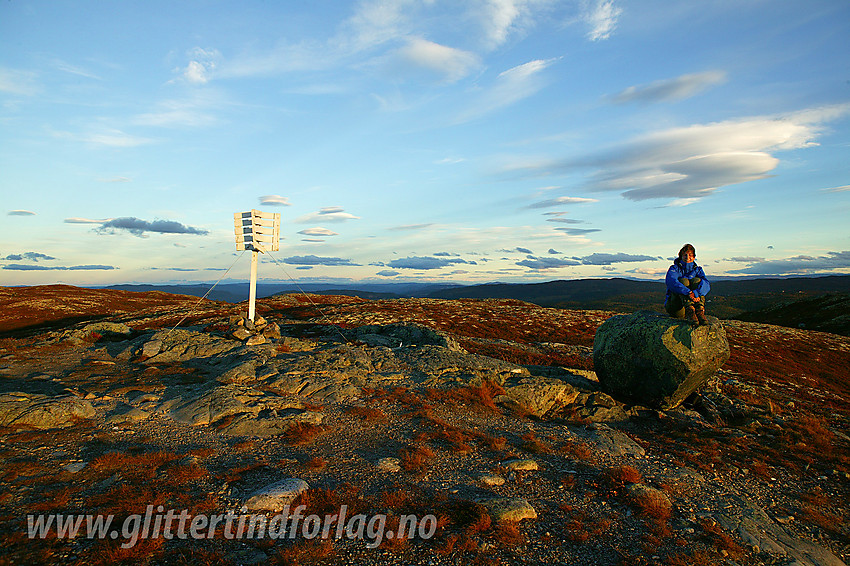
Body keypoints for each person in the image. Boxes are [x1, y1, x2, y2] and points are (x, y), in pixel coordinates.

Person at [665, 243, 710, 325]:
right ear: (681, 256)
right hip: (677, 308)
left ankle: (699, 310)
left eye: (690, 255)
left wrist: (696, 293)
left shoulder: (698, 270)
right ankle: (689, 310)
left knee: (697, 281)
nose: (688, 257)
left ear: (694, 257)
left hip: (695, 305)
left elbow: (706, 285)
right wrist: (688, 292)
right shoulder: (674, 268)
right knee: (683, 281)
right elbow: (671, 282)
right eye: (685, 255)